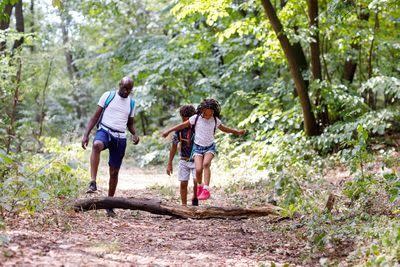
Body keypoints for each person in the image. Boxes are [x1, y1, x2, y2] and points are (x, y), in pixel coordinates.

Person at [162, 99, 246, 200]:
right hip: (193, 152)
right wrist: (168, 131)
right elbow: (180, 131)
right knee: (194, 174)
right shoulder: (193, 121)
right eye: (207, 114)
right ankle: (197, 191)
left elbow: (225, 129)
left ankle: (204, 191)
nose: (208, 116)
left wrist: (237, 132)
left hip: (209, 148)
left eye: (211, 114)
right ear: (202, 111)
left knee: (205, 166)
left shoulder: (213, 120)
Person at [81, 76, 139, 217]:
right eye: (124, 88)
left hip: (120, 137)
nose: (126, 92)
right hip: (105, 130)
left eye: (129, 90)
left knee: (114, 172)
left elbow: (130, 123)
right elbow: (95, 117)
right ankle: (93, 182)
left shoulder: (131, 103)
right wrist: (86, 134)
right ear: (119, 85)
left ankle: (110, 205)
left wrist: (135, 134)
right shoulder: (108, 96)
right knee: (96, 145)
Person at [166, 105, 198, 206]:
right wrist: (169, 163)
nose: (185, 120)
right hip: (184, 160)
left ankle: (195, 196)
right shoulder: (179, 130)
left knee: (196, 180)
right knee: (183, 183)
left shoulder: (198, 128)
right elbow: (174, 146)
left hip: (197, 159)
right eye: (183, 118)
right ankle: (184, 205)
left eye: (188, 118)